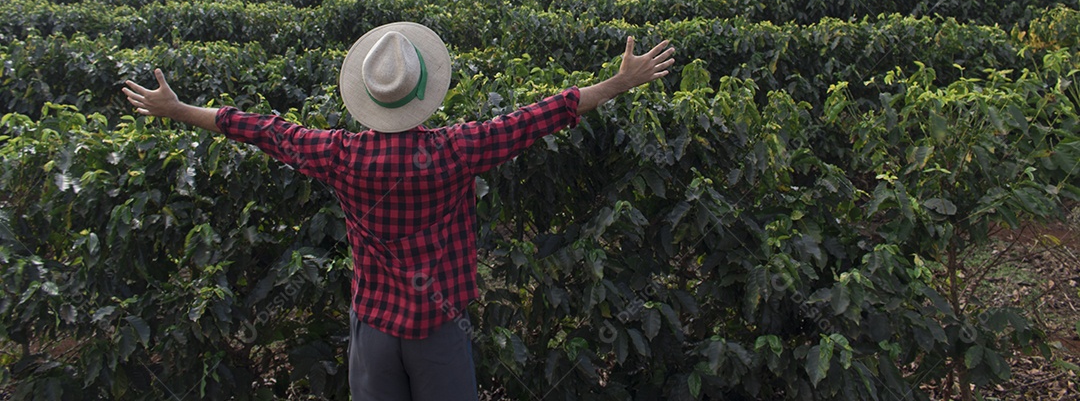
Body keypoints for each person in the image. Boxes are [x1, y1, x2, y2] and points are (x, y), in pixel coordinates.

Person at [123, 22, 675, 401]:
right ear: (424, 92)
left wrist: (176, 109)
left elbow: (261, 129)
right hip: (437, 326)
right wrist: (621, 81)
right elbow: (541, 115)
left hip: (374, 327)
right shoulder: (458, 150)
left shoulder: (338, 154)